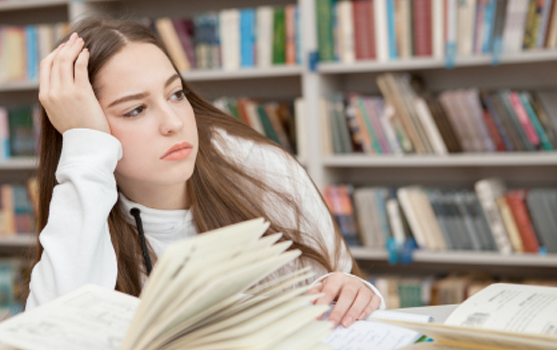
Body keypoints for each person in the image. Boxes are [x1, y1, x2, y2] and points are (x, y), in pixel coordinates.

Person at [27, 16, 385, 329]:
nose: (173, 123)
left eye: (176, 94)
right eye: (136, 110)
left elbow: (341, 290)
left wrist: (358, 293)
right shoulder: (81, 203)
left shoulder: (262, 168)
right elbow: (52, 332)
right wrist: (86, 151)